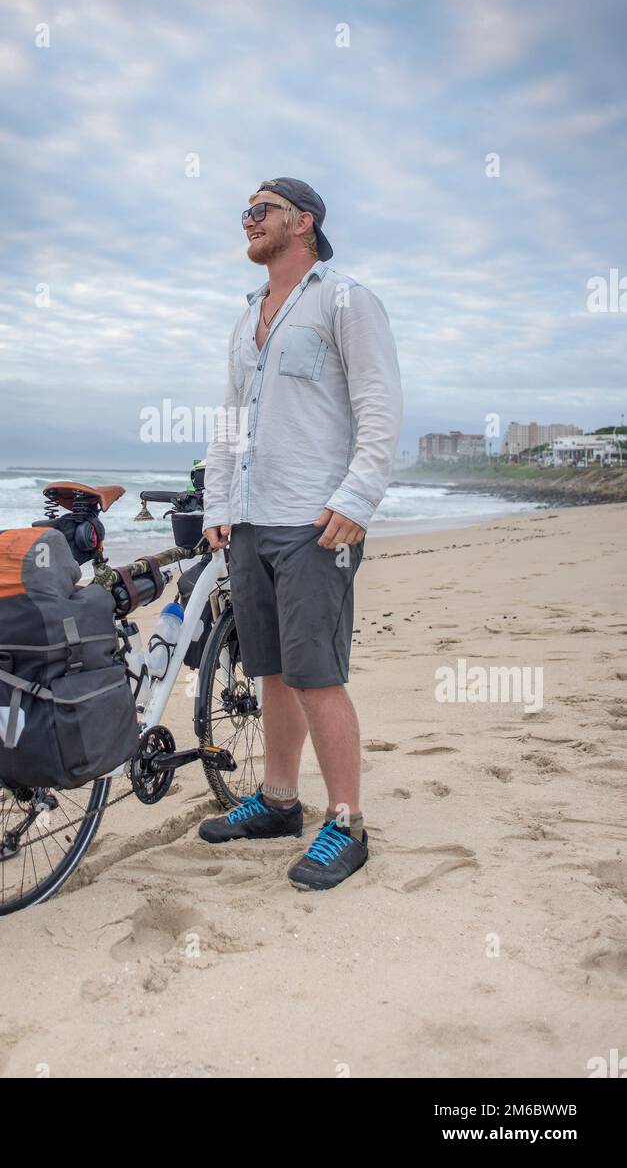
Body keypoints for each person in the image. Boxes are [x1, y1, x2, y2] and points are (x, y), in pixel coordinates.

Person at [200, 177, 403, 891]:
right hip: (252, 521)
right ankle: (279, 804)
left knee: (317, 674)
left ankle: (345, 823)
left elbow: (378, 402)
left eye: (260, 211)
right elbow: (229, 420)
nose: (247, 222)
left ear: (303, 221)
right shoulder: (246, 315)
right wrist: (216, 502)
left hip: (318, 521)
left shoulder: (343, 300)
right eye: (244, 213)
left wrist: (358, 496)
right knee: (271, 672)